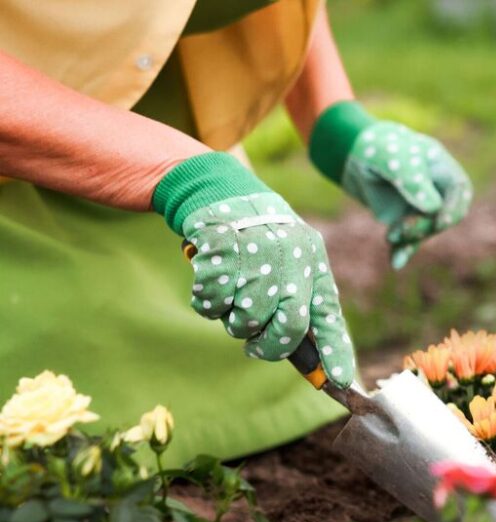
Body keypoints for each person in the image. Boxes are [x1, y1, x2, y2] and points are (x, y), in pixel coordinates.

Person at [0, 1, 471, 463]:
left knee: (276, 357)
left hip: (172, 157)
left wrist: (330, 114)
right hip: (23, 185)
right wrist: (184, 177)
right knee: (57, 448)